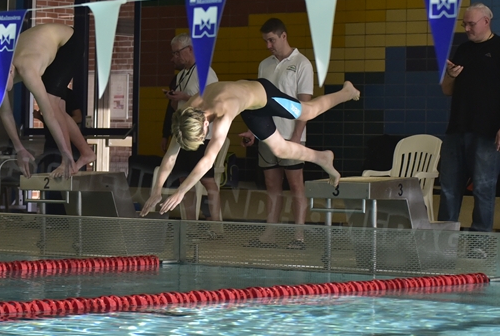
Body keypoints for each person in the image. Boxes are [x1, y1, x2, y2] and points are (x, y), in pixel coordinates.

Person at [142, 78, 360, 216]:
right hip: (249, 107)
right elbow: (170, 156)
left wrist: (181, 191)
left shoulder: (224, 109)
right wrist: (157, 191)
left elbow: (208, 160)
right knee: (279, 149)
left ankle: (347, 92)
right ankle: (322, 158)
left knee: (308, 112)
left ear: (205, 124)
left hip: (264, 95)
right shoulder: (186, 115)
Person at [439, 3, 500, 232]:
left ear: (486, 21)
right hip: (457, 128)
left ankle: (480, 241)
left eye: (471, 24)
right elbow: (447, 90)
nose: (467, 28)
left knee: (483, 188)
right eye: (464, 24)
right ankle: (445, 240)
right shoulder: (463, 50)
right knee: (448, 188)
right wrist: (450, 75)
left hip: (487, 131)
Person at [0, 23, 96, 178]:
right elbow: (5, 113)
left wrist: (65, 153)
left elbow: (49, 115)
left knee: (52, 105)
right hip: (44, 46)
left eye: (2, 83)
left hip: (68, 42)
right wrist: (19, 149)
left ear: (11, 69)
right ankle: (86, 153)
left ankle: (66, 162)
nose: (2, 89)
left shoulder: (27, 69)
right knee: (57, 106)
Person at [249, 18, 314, 249]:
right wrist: (253, 130)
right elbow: (258, 103)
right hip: (268, 134)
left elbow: (305, 105)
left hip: (291, 135)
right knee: (271, 185)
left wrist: (297, 137)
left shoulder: (302, 64)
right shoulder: (264, 65)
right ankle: (270, 234)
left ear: (283, 36)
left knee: (296, 185)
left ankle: (299, 236)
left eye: (271, 40)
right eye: (265, 41)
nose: (268, 45)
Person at [162, 33, 221, 222]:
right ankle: (190, 224)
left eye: (177, 53)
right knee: (183, 179)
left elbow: (214, 103)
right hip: (183, 133)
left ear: (190, 49)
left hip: (201, 135)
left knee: (207, 180)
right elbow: (178, 108)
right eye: (173, 53)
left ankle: (216, 224)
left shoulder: (205, 72)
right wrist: (174, 99)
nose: (175, 57)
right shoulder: (181, 75)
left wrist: (186, 97)